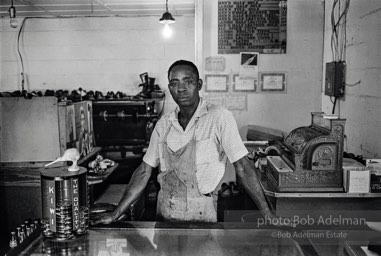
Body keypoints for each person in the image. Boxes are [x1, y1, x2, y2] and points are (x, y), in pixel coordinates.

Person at [92, 60, 274, 224]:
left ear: (199, 84)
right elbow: (144, 170)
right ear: (169, 88)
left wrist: (267, 213)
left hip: (202, 213)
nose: (181, 88)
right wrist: (116, 213)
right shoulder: (164, 124)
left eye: (188, 81)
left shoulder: (219, 117)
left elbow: (242, 166)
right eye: (174, 83)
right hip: (164, 213)